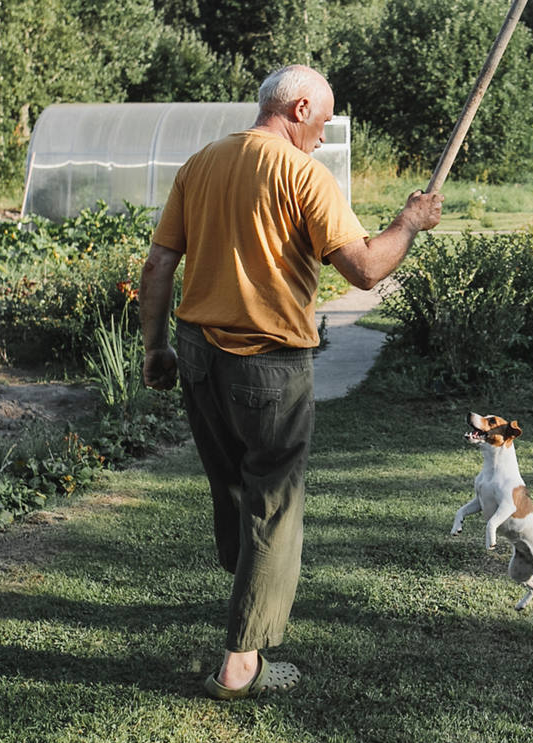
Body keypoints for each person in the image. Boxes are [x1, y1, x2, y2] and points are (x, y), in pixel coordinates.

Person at [138, 64, 442, 699]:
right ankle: (241, 662)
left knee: (233, 488)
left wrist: (157, 346)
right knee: (273, 506)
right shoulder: (303, 174)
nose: (325, 137)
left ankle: (246, 597)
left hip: (197, 355)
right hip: (267, 365)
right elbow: (364, 269)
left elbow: (161, 259)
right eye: (323, 121)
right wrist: (409, 224)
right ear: (300, 108)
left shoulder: (202, 163)